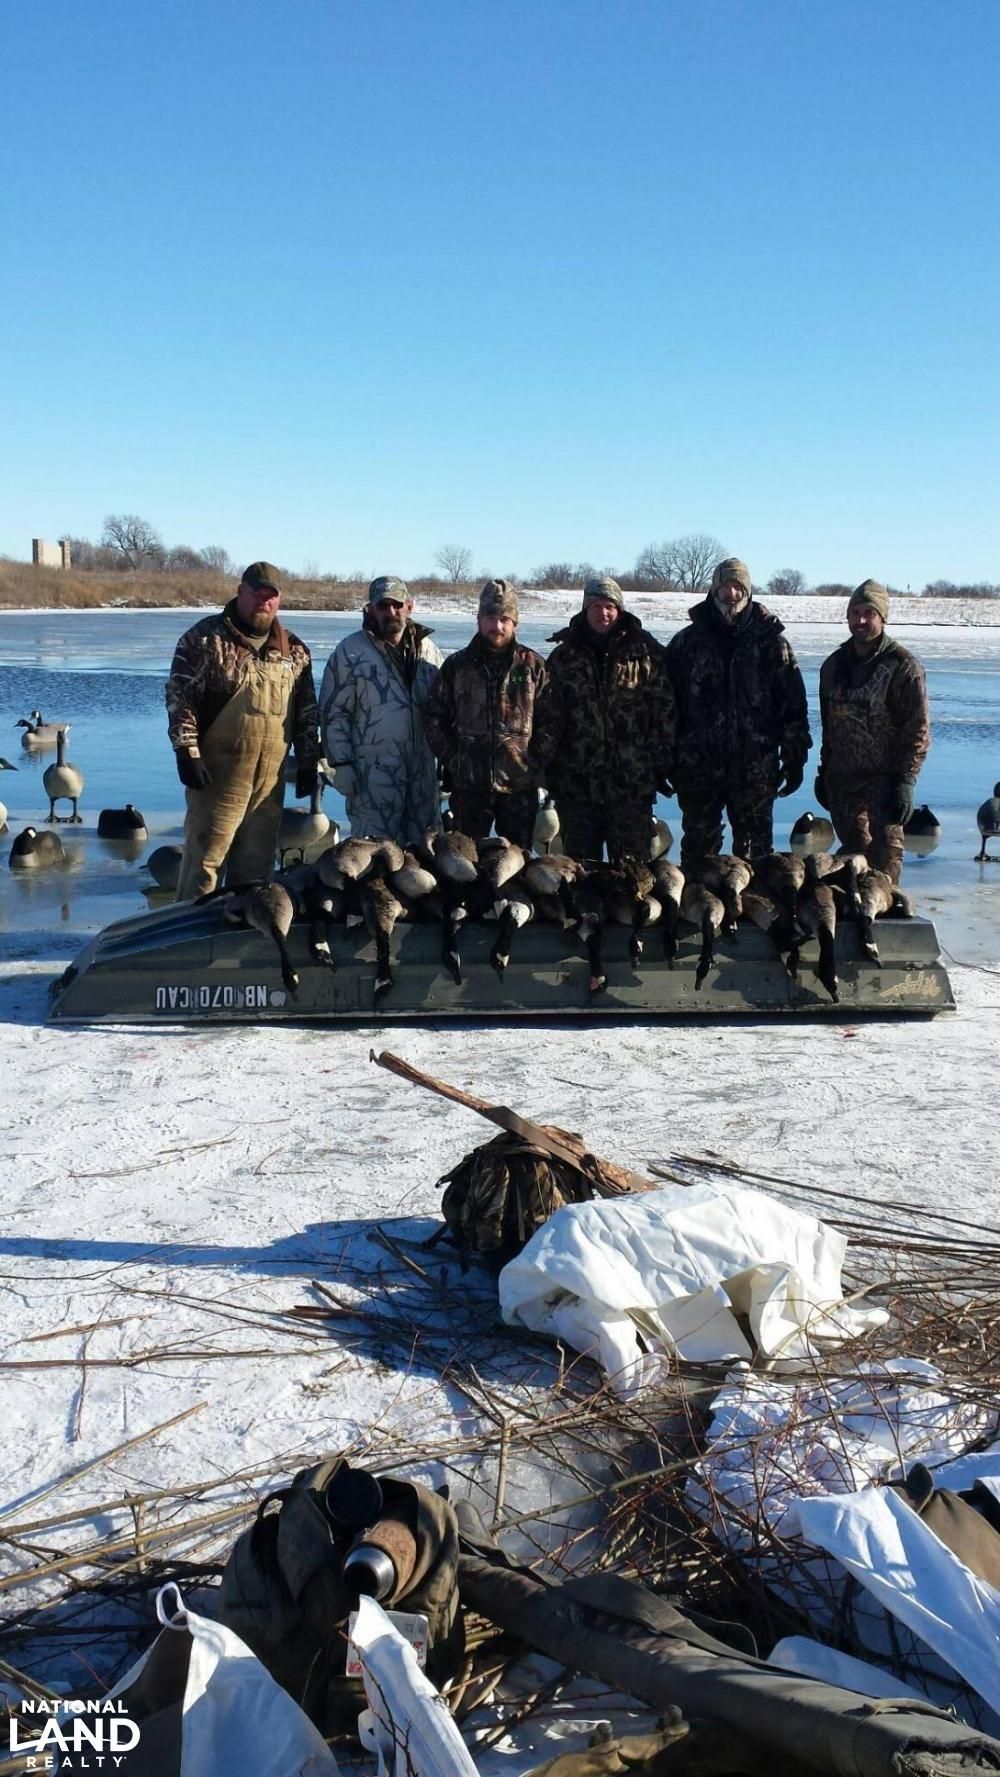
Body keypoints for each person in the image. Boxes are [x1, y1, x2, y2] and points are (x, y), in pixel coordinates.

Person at [166, 561, 320, 900]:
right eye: (256, 594)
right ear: (241, 592)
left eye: (271, 596)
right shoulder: (204, 639)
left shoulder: (294, 651)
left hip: (269, 782)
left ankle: (241, 941)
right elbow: (181, 698)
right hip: (218, 776)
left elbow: (307, 710)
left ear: (279, 601)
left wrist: (309, 760)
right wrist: (186, 751)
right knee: (204, 863)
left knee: (256, 871)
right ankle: (189, 938)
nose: (263, 602)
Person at [664, 557, 810, 870]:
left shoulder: (772, 644)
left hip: (754, 767)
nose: (730, 593)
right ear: (713, 590)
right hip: (697, 767)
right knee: (699, 852)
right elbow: (666, 706)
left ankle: (754, 917)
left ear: (747, 591)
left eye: (737, 586)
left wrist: (795, 757)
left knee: (756, 855)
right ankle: (699, 915)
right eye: (724, 586)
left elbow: (793, 707)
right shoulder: (686, 643)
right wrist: (664, 757)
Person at [538, 574, 676, 861]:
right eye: (596, 606)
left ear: (620, 610)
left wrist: (656, 764)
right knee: (578, 869)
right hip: (577, 784)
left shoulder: (646, 655)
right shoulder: (564, 657)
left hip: (630, 784)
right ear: (585, 609)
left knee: (632, 872)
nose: (603, 613)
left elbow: (664, 713)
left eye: (610, 606)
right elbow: (549, 718)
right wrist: (550, 769)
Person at [815, 579, 930, 884]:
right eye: (855, 612)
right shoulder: (833, 666)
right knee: (852, 861)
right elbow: (829, 726)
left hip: (885, 783)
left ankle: (885, 924)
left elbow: (917, 729)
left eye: (869, 612)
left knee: (885, 863)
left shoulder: (903, 666)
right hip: (843, 781)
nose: (861, 620)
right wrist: (823, 769)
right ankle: (851, 927)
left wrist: (906, 780)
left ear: (882, 617)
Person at [423, 580, 553, 847]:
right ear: (479, 619)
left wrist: (534, 761)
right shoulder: (457, 666)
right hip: (469, 786)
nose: (497, 626)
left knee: (518, 863)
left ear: (515, 622)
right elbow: (434, 717)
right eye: (491, 617)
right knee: (463, 862)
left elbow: (552, 721)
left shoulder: (533, 667)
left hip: (519, 786)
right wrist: (453, 757)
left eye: (505, 618)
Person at [319, 576, 443, 846]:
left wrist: (446, 760)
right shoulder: (350, 653)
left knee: (425, 859)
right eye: (383, 606)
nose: (391, 612)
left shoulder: (429, 652)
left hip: (422, 779)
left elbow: (444, 711)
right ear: (371, 609)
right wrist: (341, 764)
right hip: (372, 780)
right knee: (372, 858)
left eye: (397, 605)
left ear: (409, 606)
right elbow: (333, 713)